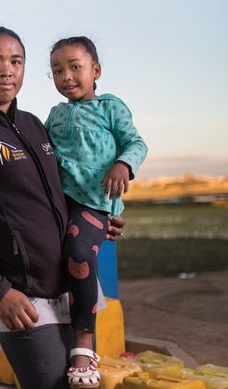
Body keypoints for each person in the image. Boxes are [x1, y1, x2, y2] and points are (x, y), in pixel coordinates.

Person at [0, 26, 123, 389]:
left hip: (69, 285)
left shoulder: (34, 125)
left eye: (16, 61)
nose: (7, 70)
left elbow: (56, 193)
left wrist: (93, 218)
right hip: (23, 298)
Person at [46, 36, 147, 388]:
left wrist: (123, 163)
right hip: (58, 203)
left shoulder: (109, 107)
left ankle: (84, 343)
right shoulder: (55, 114)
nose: (66, 76)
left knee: (78, 254)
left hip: (93, 202)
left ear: (96, 70)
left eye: (75, 67)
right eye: (57, 70)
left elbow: (136, 142)